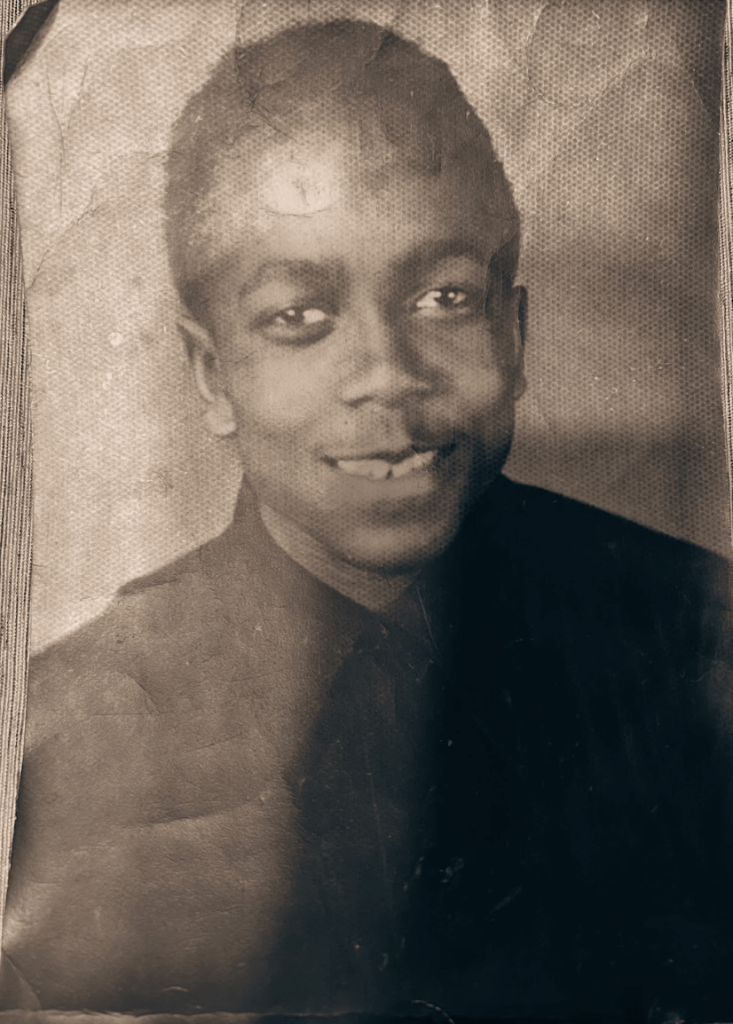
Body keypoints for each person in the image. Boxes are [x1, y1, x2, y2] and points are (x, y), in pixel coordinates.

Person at [1, 19, 732, 1021]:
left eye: (442, 296)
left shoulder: (698, 637)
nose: (387, 373)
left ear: (514, 335)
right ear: (212, 374)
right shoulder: (69, 732)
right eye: (298, 316)